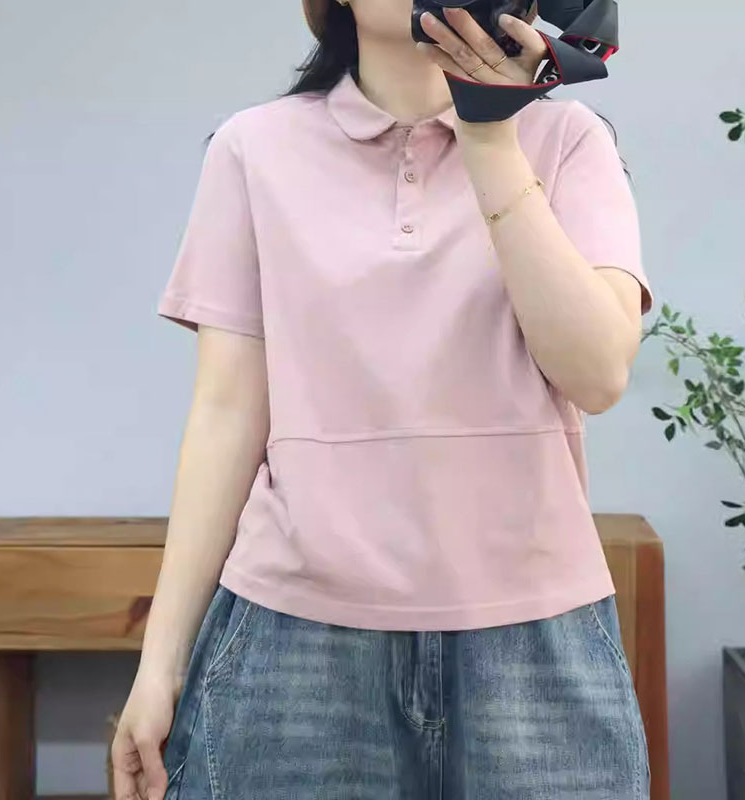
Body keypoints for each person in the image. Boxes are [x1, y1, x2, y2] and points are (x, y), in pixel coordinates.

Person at [112, 0, 654, 797]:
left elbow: (598, 372)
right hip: (294, 644)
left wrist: (489, 136)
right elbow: (227, 413)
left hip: (535, 638)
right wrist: (159, 665)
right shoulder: (253, 150)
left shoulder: (570, 141)